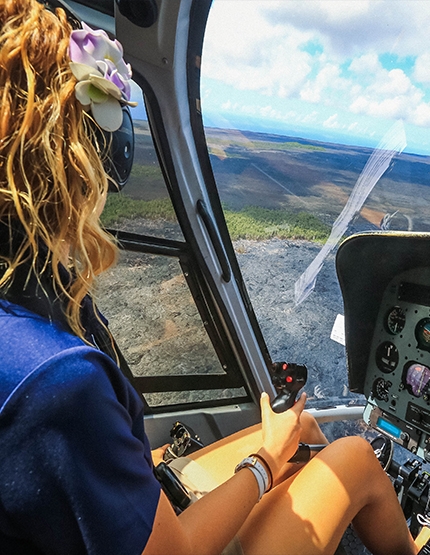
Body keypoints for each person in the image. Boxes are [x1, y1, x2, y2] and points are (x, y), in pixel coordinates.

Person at [0, 1, 419, 554]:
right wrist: (264, 461)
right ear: (78, 162)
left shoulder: (38, 311)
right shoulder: (56, 378)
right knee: (355, 458)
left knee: (307, 434)